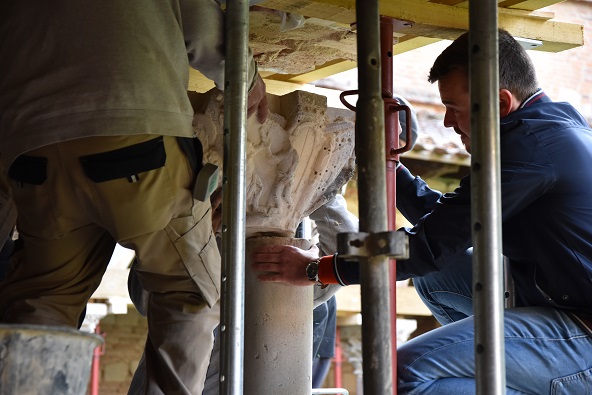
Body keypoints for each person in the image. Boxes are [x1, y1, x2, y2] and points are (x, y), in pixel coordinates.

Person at [251, 29, 592, 394]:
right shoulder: (545, 130)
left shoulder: (531, 150)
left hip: (582, 330)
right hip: (552, 303)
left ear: (500, 103)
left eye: (455, 109)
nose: (447, 122)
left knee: (398, 373)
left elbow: (429, 246)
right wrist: (390, 166)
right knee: (437, 276)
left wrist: (318, 269)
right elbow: (449, 225)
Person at [0, 2, 267, 394]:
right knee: (188, 294)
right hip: (135, 139)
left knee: (47, 297)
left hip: (34, 157)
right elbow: (204, 28)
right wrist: (247, 80)